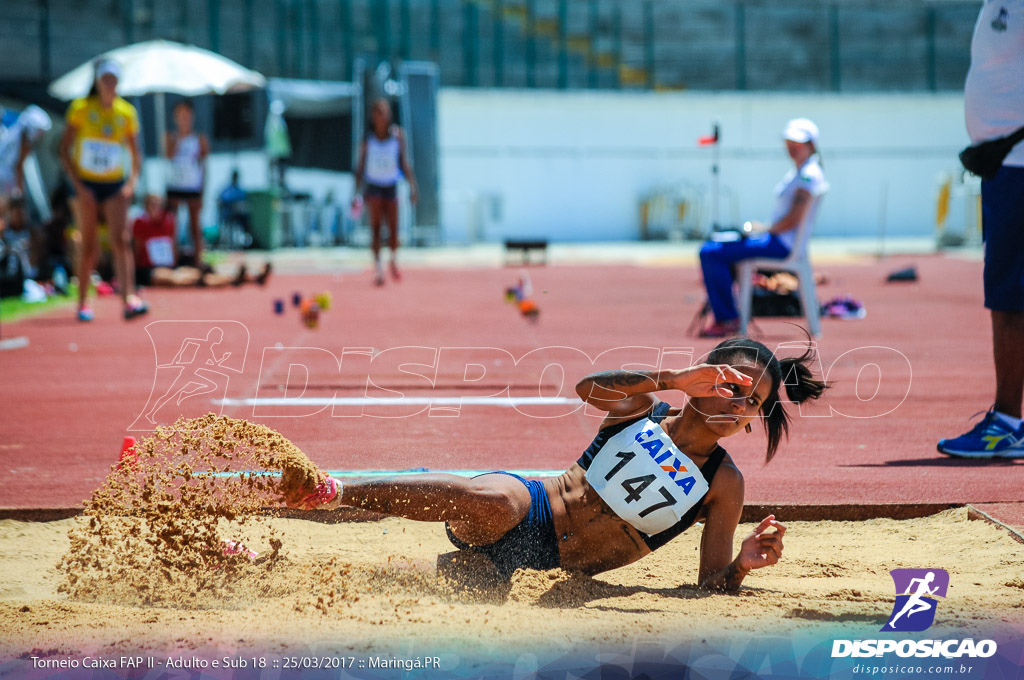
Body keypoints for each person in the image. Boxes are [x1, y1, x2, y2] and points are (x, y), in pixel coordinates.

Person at [286, 338, 828, 588]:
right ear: (702, 378)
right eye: (730, 388)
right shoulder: (646, 410)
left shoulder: (724, 483)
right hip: (535, 507)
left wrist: (742, 566)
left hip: (560, 570)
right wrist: (669, 378)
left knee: (462, 584)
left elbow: (711, 581)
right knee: (494, 500)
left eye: (751, 404)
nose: (737, 407)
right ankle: (332, 488)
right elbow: (588, 388)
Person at [937, 1, 1024, 459]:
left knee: (1010, 298)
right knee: (1009, 296)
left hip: (1018, 167)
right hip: (1006, 164)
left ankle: (1008, 422)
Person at [697, 119, 829, 338]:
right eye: (789, 142)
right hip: (776, 239)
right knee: (719, 246)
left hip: (781, 244)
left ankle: (727, 318)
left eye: (797, 142)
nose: (791, 147)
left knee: (711, 252)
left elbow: (793, 219)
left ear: (811, 144)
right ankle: (728, 313)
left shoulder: (809, 174)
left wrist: (764, 230)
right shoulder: (801, 171)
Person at [58, 59, 148, 321]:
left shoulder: (126, 112)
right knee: (90, 246)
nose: (110, 84)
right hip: (87, 184)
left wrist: (131, 184)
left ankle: (129, 299)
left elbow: (136, 153)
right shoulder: (81, 109)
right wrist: (78, 186)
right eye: (105, 79)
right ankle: (83, 302)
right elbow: (64, 150)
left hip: (115, 185)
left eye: (114, 79)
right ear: (97, 82)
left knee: (121, 240)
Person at [133, 194, 270, 289]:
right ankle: (245, 278)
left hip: (169, 266)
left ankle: (251, 277)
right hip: (150, 269)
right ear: (146, 206)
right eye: (153, 205)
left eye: (159, 205)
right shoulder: (140, 223)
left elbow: (172, 246)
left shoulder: (168, 222)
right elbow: (137, 249)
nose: (157, 208)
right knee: (183, 278)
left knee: (201, 276)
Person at [354, 98, 417, 286]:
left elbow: (404, 163)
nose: (381, 116)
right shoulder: (368, 138)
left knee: (393, 228)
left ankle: (393, 259)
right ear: (373, 116)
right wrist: (356, 192)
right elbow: (360, 166)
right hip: (373, 185)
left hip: (391, 185)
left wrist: (413, 186)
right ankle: (378, 268)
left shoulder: (398, 136)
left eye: (384, 112)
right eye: (377, 112)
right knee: (375, 228)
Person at [164, 99, 210, 268]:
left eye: (187, 114)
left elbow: (204, 166)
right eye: (180, 115)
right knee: (172, 227)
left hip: (192, 186)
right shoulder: (170, 137)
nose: (184, 118)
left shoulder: (199, 139)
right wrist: (179, 138)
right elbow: (168, 156)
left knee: (195, 227)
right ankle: (172, 261)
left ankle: (198, 262)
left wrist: (203, 191)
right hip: (175, 186)